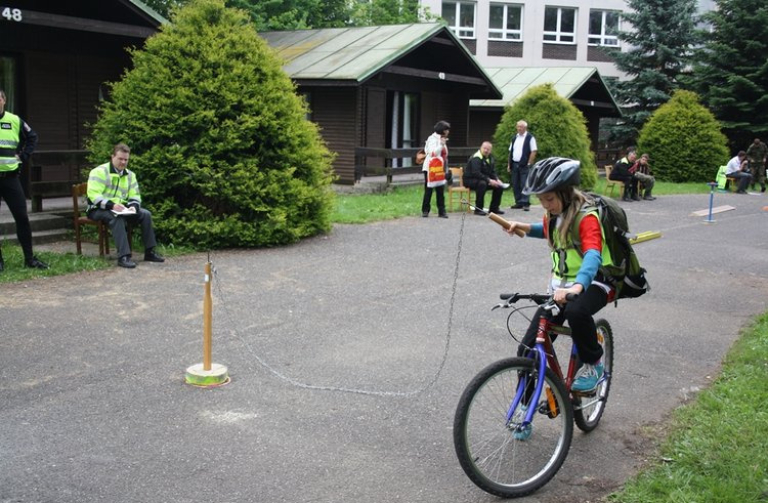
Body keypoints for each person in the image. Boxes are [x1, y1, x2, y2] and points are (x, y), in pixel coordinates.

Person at [502, 158, 612, 392]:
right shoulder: (553, 215)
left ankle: (594, 364)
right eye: (540, 200)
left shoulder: (587, 217)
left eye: (549, 199)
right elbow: (547, 230)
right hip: (562, 289)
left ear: (566, 192)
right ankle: (523, 409)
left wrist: (577, 287)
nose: (545, 205)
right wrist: (520, 226)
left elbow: (593, 254)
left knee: (576, 311)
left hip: (594, 283)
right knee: (528, 349)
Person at [86, 143, 165, 268]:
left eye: (126, 160)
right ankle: (123, 256)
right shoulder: (98, 172)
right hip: (98, 209)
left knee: (145, 214)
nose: (123, 162)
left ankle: (149, 252)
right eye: (120, 159)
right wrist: (112, 206)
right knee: (116, 218)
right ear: (112, 157)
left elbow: (135, 195)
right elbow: (94, 195)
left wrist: (133, 206)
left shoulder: (130, 175)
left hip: (122, 209)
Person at [0, 88, 49, 272]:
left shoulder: (14, 120)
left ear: (4, 100)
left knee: (22, 217)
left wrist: (23, 156)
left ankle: (29, 259)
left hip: (10, 178)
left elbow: (32, 137)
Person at [463, 141, 508, 215]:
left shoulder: (490, 157)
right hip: (470, 180)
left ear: (491, 150)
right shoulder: (476, 157)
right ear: (481, 148)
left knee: (499, 187)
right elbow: (476, 173)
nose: (486, 150)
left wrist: (497, 180)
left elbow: (492, 171)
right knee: (482, 184)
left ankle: (494, 209)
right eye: (484, 148)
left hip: (484, 179)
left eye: (488, 149)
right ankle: (478, 209)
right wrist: (489, 180)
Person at [421, 120, 450, 218]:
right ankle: (425, 210)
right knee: (429, 189)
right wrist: (441, 145)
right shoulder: (432, 139)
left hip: (440, 168)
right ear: (443, 130)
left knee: (440, 190)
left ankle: (442, 211)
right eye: (447, 130)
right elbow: (432, 153)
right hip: (431, 168)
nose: (448, 132)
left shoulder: (442, 138)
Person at [507, 120, 537, 211]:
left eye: (521, 127)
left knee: (525, 184)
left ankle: (525, 203)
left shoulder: (530, 138)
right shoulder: (514, 138)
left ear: (525, 128)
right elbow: (510, 151)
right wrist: (509, 164)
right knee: (515, 184)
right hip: (515, 164)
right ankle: (518, 202)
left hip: (524, 165)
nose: (519, 128)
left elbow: (534, 151)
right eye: (518, 126)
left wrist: (529, 163)